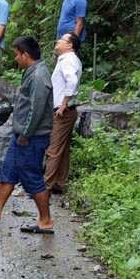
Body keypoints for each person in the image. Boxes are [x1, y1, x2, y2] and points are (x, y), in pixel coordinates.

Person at [0, 36, 54, 233]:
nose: (16, 58)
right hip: (21, 135)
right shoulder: (32, 72)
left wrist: (26, 135)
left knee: (32, 176)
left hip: (31, 138)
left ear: (25, 55)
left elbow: (36, 110)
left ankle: (46, 220)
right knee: (8, 171)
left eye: (17, 54)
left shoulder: (38, 77)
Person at [44, 32, 82, 194]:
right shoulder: (67, 60)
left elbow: (72, 81)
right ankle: (60, 182)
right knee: (62, 148)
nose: (57, 41)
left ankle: (45, 186)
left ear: (69, 45)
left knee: (53, 149)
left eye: (62, 40)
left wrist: (63, 104)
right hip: (66, 110)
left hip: (62, 112)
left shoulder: (68, 60)